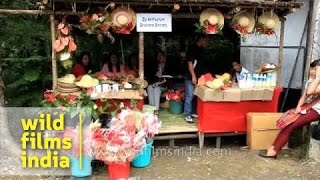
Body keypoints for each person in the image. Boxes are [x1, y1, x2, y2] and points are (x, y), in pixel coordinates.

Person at [259, 59, 320, 159]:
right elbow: (304, 96)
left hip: (317, 110)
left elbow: (310, 92)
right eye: (312, 69)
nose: (312, 71)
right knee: (289, 118)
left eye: (316, 69)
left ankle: (273, 151)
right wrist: (297, 109)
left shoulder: (316, 80)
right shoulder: (311, 80)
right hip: (309, 107)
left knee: (290, 124)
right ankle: (274, 148)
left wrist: (318, 78)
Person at [184, 34, 209, 123]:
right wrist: (193, 76)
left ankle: (193, 112)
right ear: (201, 39)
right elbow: (190, 63)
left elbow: (201, 64)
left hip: (199, 77)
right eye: (206, 40)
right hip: (190, 76)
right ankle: (187, 114)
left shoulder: (201, 49)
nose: (207, 42)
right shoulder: (192, 48)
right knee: (189, 96)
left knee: (195, 95)